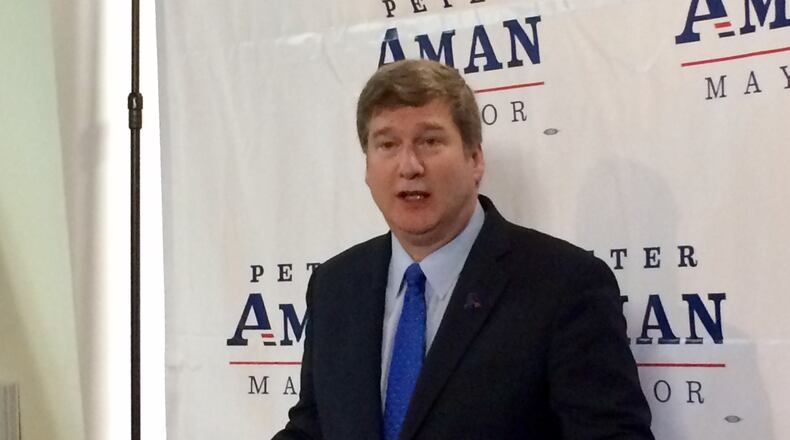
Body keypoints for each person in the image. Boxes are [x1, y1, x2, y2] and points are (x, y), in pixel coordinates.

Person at [273, 59, 653, 439]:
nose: (409, 165)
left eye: (430, 141)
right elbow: (312, 428)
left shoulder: (564, 285)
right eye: (387, 144)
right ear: (367, 167)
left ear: (475, 159)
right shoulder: (335, 285)